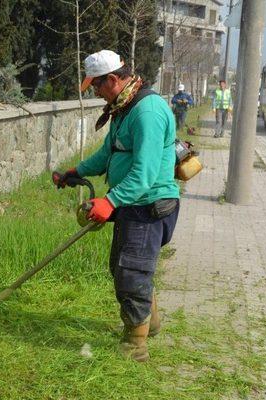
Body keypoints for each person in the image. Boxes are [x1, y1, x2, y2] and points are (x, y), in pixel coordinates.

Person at [56, 50, 180, 363]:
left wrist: (109, 201)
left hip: (149, 207)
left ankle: (136, 347)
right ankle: (148, 323)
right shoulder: (124, 107)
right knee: (123, 267)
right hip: (132, 204)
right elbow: (108, 152)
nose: (95, 91)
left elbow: (145, 174)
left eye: (96, 85)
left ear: (113, 79)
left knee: (132, 273)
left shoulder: (147, 112)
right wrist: (78, 171)